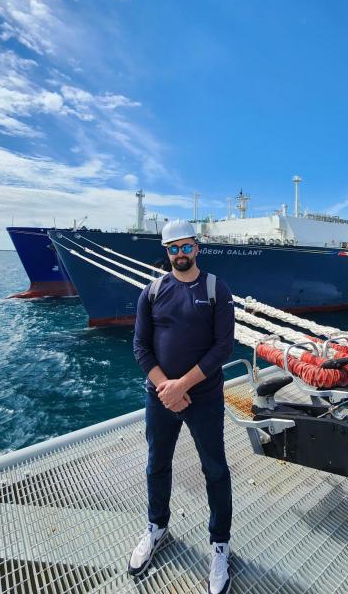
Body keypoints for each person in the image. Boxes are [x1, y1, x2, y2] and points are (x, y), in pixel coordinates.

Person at [129, 219, 235, 594]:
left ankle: (219, 543)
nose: (180, 254)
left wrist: (183, 386)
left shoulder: (215, 289)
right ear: (166, 252)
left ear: (197, 248)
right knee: (157, 463)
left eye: (185, 246)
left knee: (215, 469)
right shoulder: (153, 292)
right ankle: (157, 526)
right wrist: (166, 389)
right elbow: (141, 347)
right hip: (160, 396)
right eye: (172, 248)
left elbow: (224, 347)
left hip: (203, 397)